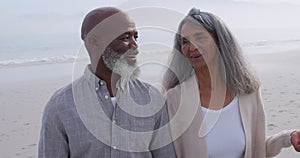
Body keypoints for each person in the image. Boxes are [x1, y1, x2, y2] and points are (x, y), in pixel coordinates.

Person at [38, 7, 176, 158]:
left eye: (135, 37)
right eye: (125, 38)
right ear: (93, 42)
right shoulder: (61, 106)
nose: (135, 45)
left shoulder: (152, 98)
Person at [163, 8, 300, 158]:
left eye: (200, 37)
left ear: (219, 41)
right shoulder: (175, 100)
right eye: (185, 41)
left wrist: (287, 138)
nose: (192, 47)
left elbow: (257, 150)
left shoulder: (248, 93)